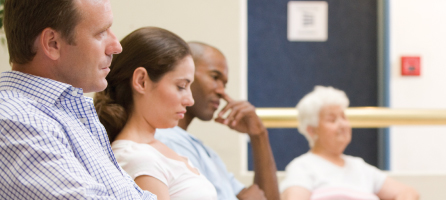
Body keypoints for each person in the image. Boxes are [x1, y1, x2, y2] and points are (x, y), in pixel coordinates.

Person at [0, 0, 156, 199]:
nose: (116, 47)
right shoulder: (16, 121)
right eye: (101, 32)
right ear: (52, 44)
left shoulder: (67, 114)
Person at [94, 27, 216, 199]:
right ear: (141, 81)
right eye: (181, 86)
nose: (190, 100)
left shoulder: (153, 148)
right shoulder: (137, 159)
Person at [154, 42, 279, 200]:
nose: (221, 91)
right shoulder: (165, 140)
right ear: (185, 74)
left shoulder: (202, 150)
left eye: (224, 84)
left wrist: (259, 135)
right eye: (215, 77)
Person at [280, 86, 420, 200]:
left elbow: (408, 193)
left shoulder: (360, 167)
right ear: (312, 131)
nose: (342, 125)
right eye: (332, 120)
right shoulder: (303, 167)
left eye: (343, 117)